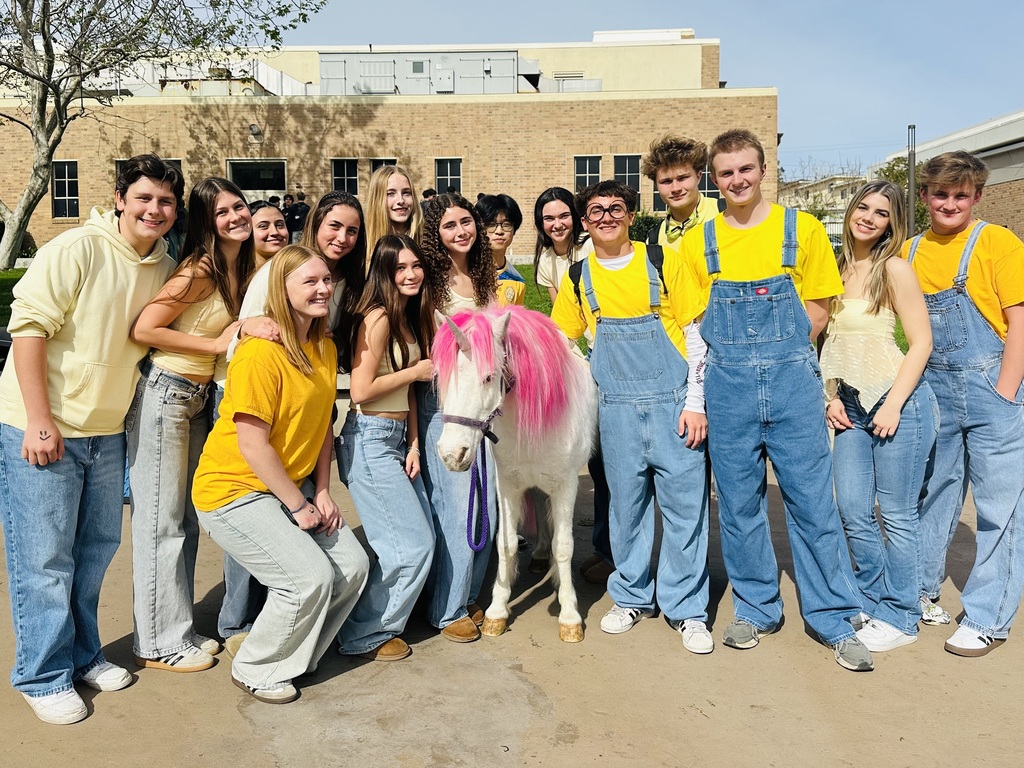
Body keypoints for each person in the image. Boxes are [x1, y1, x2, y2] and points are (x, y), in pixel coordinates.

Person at [678, 129, 871, 671]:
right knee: (739, 506)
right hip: (729, 390)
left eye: (746, 169)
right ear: (714, 180)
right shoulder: (698, 242)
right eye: (726, 172)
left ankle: (833, 616)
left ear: (764, 170)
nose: (737, 180)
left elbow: (818, 309)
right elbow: (697, 322)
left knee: (812, 504)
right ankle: (757, 608)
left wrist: (780, 355)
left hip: (793, 386)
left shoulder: (801, 229)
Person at [0, 154, 182, 724]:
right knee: (44, 560)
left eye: (166, 201)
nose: (154, 209)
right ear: (120, 199)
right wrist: (39, 418)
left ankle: (82, 656)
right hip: (43, 426)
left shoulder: (164, 265)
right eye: (144, 198)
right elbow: (28, 328)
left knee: (94, 553)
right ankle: (41, 675)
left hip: (107, 431)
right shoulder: (76, 248)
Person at [192, 245, 369, 704]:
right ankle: (256, 666)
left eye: (325, 280)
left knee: (352, 568)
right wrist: (299, 505)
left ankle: (294, 657)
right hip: (233, 490)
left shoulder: (324, 346)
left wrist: (323, 491)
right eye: (309, 281)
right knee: (308, 578)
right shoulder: (259, 354)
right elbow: (252, 445)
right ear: (281, 290)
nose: (323, 288)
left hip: (291, 486)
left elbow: (323, 425)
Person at [550, 180, 712, 653]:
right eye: (596, 211)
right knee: (625, 509)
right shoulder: (578, 277)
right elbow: (561, 340)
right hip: (615, 409)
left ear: (630, 215)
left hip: (674, 405)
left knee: (686, 510)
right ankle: (632, 597)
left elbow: (696, 333)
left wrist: (696, 403)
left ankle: (687, 609)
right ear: (584, 222)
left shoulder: (662, 261)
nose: (606, 217)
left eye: (616, 208)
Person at [218, 190, 367, 656]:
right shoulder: (279, 273)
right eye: (334, 226)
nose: (343, 237)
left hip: (305, 405)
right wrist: (248, 329)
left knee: (316, 558)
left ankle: (290, 635)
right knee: (264, 534)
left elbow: (322, 417)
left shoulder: (342, 288)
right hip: (256, 403)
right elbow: (241, 334)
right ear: (315, 223)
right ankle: (240, 624)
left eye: (352, 230)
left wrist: (320, 491)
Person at [128, 177, 253, 674]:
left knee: (183, 521)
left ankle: (174, 626)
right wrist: (214, 345)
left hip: (196, 399)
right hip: (167, 392)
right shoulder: (200, 268)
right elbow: (146, 328)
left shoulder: (236, 267)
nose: (235, 217)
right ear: (207, 222)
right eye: (222, 213)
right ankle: (157, 643)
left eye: (238, 206)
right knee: (161, 521)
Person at [905, 151, 1024, 657]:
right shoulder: (909, 251)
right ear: (924, 195)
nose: (950, 203)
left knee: (1000, 507)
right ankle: (918, 590)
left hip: (991, 387)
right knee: (933, 494)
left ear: (977, 196)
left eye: (960, 195)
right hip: (933, 390)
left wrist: (1005, 392)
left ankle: (987, 616)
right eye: (940, 193)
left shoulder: (996, 242)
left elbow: (1019, 321)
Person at [819, 181, 936, 652]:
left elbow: (921, 342)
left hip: (896, 402)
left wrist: (893, 405)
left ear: (892, 223)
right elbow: (827, 341)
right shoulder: (835, 267)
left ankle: (903, 616)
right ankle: (872, 600)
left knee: (898, 515)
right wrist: (829, 396)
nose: (868, 217)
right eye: (863, 207)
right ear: (851, 211)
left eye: (881, 212)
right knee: (851, 509)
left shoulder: (895, 269)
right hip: (848, 403)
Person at [336, 235, 436, 661]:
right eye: (400, 268)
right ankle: (363, 632)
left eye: (416, 265)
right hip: (368, 439)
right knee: (410, 546)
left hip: (395, 440)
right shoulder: (376, 318)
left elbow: (409, 392)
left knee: (420, 537)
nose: (411, 274)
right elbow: (361, 389)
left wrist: (413, 443)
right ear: (384, 273)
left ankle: (378, 620)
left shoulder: (407, 317)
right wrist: (416, 370)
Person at [417, 192, 498, 643]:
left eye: (466, 222)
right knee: (458, 508)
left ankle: (465, 594)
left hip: (481, 408)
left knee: (487, 509)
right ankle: (446, 609)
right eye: (449, 225)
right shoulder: (431, 283)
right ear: (435, 233)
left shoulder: (485, 277)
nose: (460, 231)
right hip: (446, 405)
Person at [641, 134, 720, 246]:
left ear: (698, 177)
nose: (675, 188)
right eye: (666, 181)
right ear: (656, 185)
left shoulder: (726, 213)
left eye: (682, 178)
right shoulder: (654, 240)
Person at [533, 187, 588, 306]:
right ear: (541, 223)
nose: (557, 225)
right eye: (549, 218)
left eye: (564, 216)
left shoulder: (591, 245)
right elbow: (559, 308)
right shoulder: (545, 261)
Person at [364, 165, 422, 271]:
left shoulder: (427, 244)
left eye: (406, 193)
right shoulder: (362, 248)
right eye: (390, 194)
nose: (400, 200)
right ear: (377, 199)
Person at [476, 193, 526, 307]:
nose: (499, 231)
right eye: (491, 224)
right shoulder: (464, 273)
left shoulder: (516, 281)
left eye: (506, 224)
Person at [249, 200, 289, 269]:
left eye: (279, 225)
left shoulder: (301, 270)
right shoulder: (233, 273)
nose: (274, 232)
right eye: (263, 226)